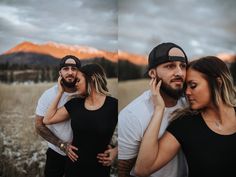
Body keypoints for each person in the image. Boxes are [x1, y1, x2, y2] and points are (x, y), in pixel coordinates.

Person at [134, 56, 236, 177]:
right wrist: (159, 109)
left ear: (218, 83)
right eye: (185, 87)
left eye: (193, 85)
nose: (187, 92)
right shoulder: (185, 124)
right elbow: (142, 169)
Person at [118, 42, 188, 177]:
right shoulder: (132, 114)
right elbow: (123, 170)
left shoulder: (191, 104)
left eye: (183, 66)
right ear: (152, 73)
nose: (179, 72)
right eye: (170, 66)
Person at [43, 63, 118, 177]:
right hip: (73, 168)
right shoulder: (75, 104)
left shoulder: (113, 105)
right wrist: (60, 92)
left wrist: (116, 150)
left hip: (100, 170)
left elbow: (133, 134)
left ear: (91, 79)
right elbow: (47, 119)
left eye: (78, 80)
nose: (75, 84)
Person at [35, 55, 81, 177]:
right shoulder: (48, 95)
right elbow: (39, 125)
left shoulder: (85, 94)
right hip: (56, 153)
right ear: (60, 72)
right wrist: (61, 145)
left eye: (74, 68)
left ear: (79, 72)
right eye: (66, 69)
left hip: (81, 155)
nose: (70, 72)